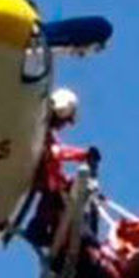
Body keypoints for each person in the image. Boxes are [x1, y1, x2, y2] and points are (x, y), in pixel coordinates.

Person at [22, 87, 97, 250]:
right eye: (65, 120)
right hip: (36, 174)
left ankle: (70, 231)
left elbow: (56, 152)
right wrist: (83, 154)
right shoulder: (39, 129)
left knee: (61, 190)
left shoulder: (44, 131)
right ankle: (39, 230)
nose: (64, 126)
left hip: (40, 175)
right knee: (55, 193)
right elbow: (57, 153)